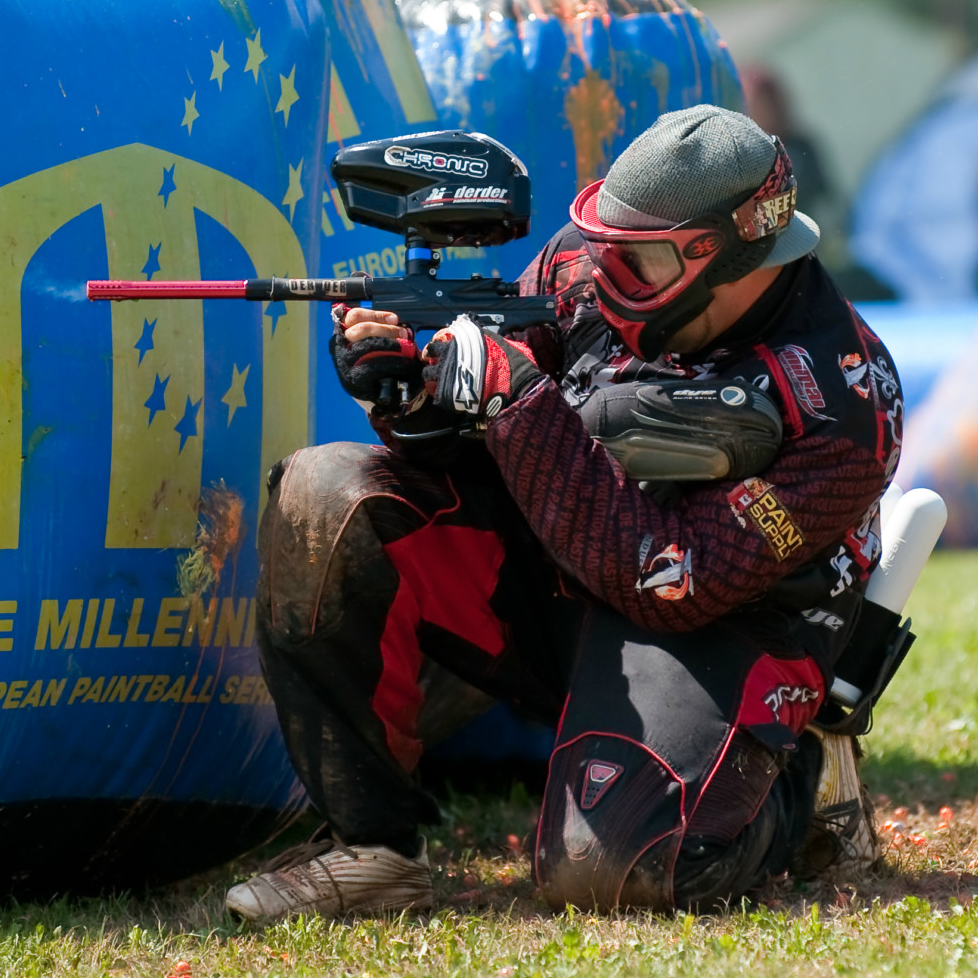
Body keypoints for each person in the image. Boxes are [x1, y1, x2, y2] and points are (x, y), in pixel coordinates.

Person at [225, 105, 903, 920]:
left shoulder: (842, 401)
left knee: (610, 872)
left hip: (725, 633)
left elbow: (674, 581)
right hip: (561, 583)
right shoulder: (585, 268)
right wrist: (408, 388)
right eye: (605, 247)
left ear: (723, 254)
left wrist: (517, 400)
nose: (601, 275)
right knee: (322, 496)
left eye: (638, 260)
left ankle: (797, 792)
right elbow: (471, 446)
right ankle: (372, 850)